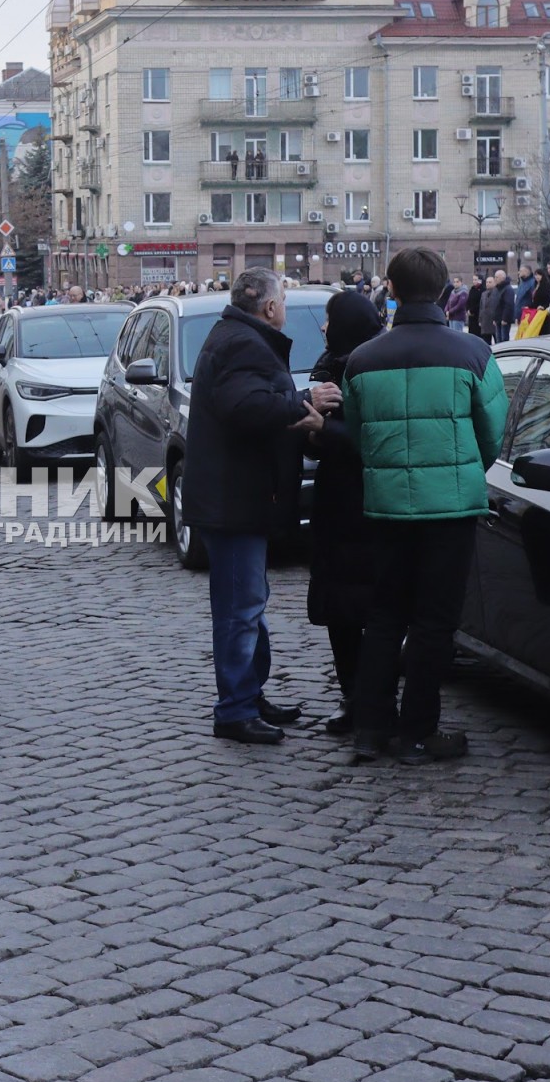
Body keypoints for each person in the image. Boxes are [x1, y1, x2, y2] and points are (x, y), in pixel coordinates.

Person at [339, 248, 508, 765]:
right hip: (450, 510)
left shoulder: (361, 360)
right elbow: (492, 433)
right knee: (435, 622)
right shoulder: (473, 353)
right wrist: (461, 470)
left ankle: (370, 729)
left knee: (385, 616)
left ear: (391, 290)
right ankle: (417, 732)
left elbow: (358, 435)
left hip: (387, 507)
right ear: (442, 291)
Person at [179, 267, 337, 745]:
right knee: (239, 608)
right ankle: (235, 709)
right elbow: (246, 408)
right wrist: (303, 402)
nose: (284, 308)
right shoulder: (242, 344)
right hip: (232, 500)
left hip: (237, 496)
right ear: (269, 308)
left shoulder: (238, 337)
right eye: (283, 301)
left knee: (249, 604)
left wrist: (296, 407)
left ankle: (248, 693)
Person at [306, 287, 384, 737]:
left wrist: (326, 430)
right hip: (336, 505)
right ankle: (352, 694)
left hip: (373, 502)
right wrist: (312, 425)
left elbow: (377, 441)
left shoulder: (378, 367)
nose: (323, 327)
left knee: (375, 607)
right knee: (340, 608)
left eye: (330, 319)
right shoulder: (327, 367)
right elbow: (311, 439)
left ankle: (375, 698)